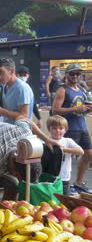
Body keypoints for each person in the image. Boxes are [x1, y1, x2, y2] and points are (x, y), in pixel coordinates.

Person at [52, 64, 92, 194]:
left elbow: (82, 107)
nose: (75, 76)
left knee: (88, 154)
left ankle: (78, 183)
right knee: (65, 157)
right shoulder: (62, 90)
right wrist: (75, 109)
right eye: (72, 74)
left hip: (82, 126)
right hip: (69, 128)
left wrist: (87, 109)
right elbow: (55, 110)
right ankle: (64, 186)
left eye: (78, 74)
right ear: (66, 75)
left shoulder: (81, 89)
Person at [46, 115, 84, 195]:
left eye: (61, 128)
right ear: (49, 129)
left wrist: (62, 149)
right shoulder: (46, 141)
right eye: (54, 128)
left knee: (65, 200)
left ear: (65, 130)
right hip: (49, 177)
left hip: (64, 177)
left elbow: (81, 151)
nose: (57, 131)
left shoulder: (68, 141)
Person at [0, 58, 34, 124]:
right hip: (8, 127)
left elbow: (24, 117)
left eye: (1, 72)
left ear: (12, 71)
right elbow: (6, 111)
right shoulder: (4, 86)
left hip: (20, 131)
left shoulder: (21, 88)